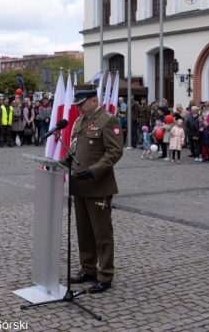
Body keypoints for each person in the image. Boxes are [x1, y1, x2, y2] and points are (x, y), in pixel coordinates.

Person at [62, 85, 123, 294]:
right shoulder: (80, 121)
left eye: (82, 103)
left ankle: (105, 275)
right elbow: (75, 148)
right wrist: (58, 164)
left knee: (102, 233)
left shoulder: (108, 120)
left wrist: (94, 170)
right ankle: (88, 268)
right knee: (84, 232)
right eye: (77, 104)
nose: (79, 108)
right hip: (79, 185)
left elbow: (114, 152)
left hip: (98, 185)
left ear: (94, 101)